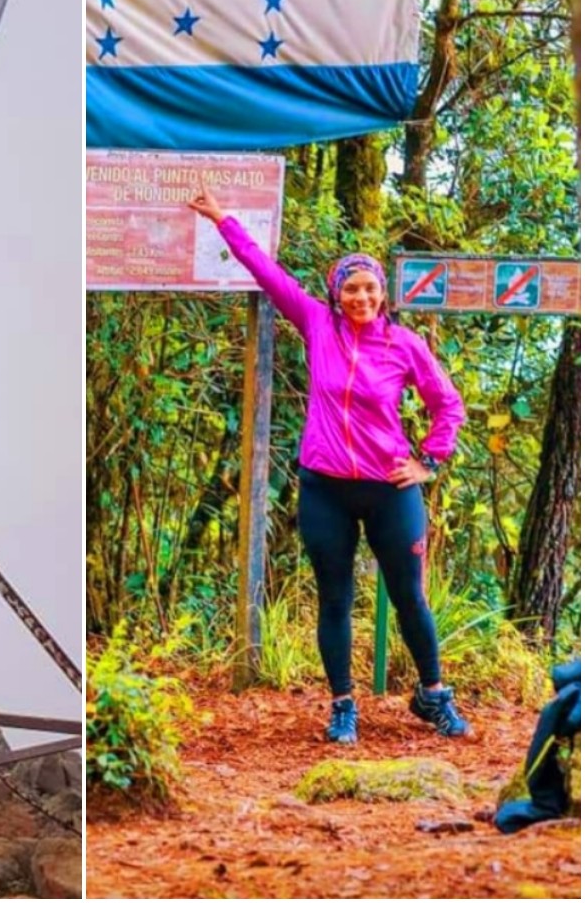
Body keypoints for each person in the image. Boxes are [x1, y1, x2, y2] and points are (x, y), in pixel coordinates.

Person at [187, 184, 470, 744]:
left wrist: (428, 462)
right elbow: (268, 273)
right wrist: (224, 221)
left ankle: (433, 695)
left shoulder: (404, 345)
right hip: (325, 489)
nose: (361, 297)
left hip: (390, 488)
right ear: (336, 294)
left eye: (369, 288)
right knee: (334, 596)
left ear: (382, 295)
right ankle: (343, 705)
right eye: (351, 288)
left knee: (410, 594)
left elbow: (448, 405)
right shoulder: (317, 325)